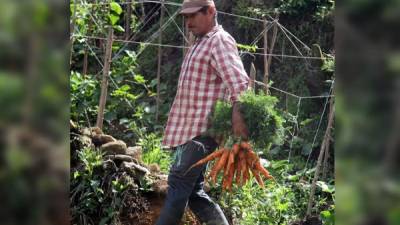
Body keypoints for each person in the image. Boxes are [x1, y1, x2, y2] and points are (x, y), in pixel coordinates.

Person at [156, 0, 249, 224]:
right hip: (189, 130)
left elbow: (240, 83)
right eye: (185, 18)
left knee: (178, 184)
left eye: (193, 16)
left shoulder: (219, 41)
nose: (188, 22)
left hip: (199, 132)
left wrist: (237, 113)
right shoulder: (200, 42)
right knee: (194, 192)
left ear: (211, 12)